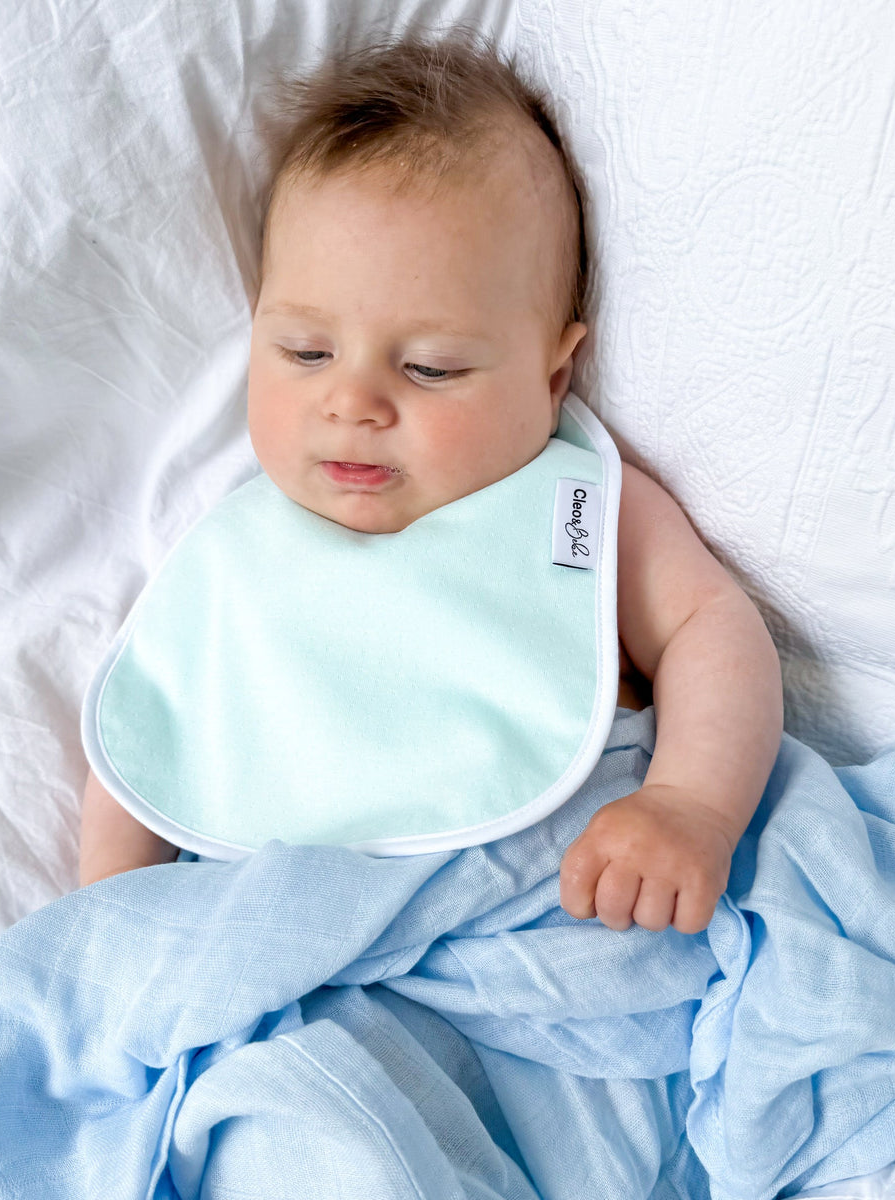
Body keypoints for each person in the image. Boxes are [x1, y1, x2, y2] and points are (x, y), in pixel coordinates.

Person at [77, 32, 783, 936]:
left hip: (559, 899)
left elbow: (710, 627)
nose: (353, 400)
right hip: (275, 937)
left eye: (432, 368)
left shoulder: (573, 509)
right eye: (306, 352)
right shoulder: (237, 555)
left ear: (554, 376)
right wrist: (102, 923)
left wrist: (691, 805)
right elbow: (144, 738)